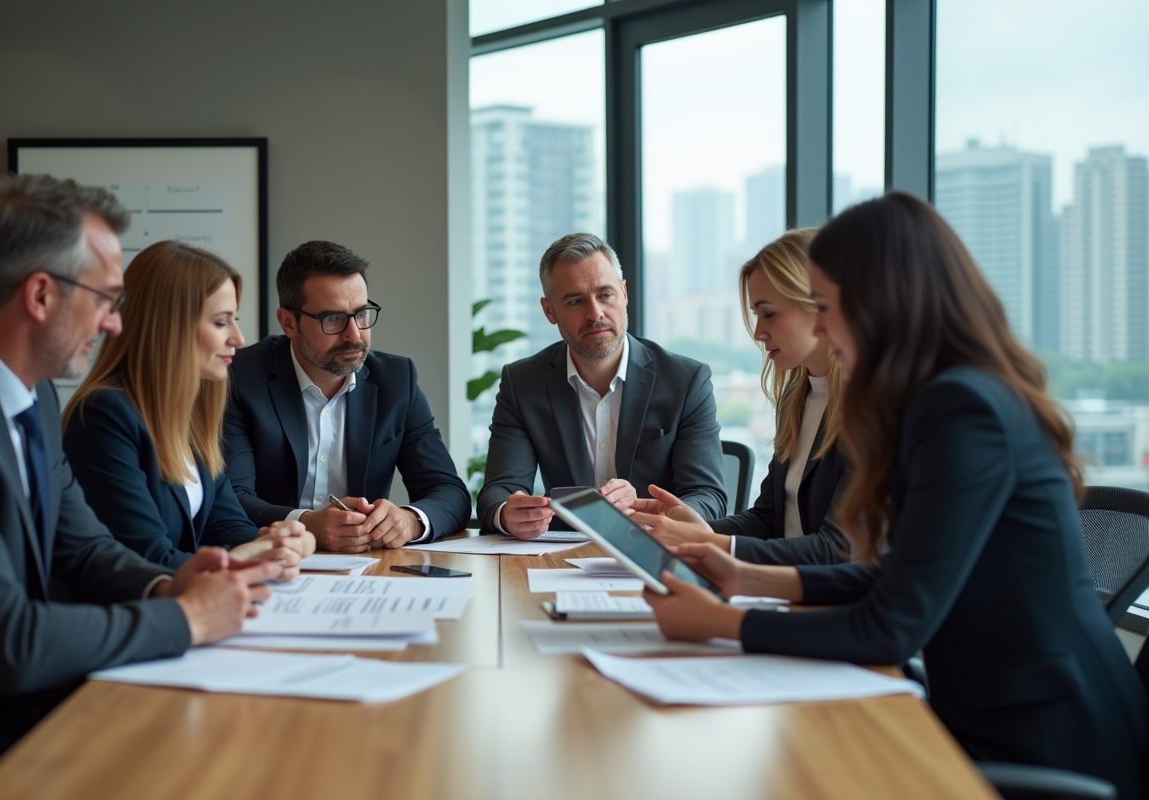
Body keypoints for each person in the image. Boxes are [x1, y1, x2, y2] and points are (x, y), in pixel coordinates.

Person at [644, 192, 1148, 797]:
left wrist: (727, 624)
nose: (823, 329)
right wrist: (746, 578)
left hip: (1045, 733)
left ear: (884, 301)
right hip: (994, 710)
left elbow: (892, 626)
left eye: (827, 307)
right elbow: (899, 575)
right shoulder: (942, 398)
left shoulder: (962, 408)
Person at [0, 174, 279, 770]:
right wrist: (183, 618)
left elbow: (84, 550)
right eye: (105, 299)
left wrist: (169, 584)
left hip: (34, 708)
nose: (114, 324)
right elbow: (11, 639)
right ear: (42, 295)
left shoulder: (33, 397)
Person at [62, 241, 315, 572]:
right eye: (222, 322)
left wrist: (277, 544)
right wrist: (242, 562)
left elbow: (226, 526)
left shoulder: (191, 416)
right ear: (170, 327)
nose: (239, 338)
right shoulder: (104, 416)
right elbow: (146, 558)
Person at [223, 240, 470, 553]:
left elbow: (449, 491)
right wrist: (305, 523)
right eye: (333, 319)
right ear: (288, 322)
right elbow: (230, 498)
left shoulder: (397, 380)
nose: (354, 334)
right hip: (271, 562)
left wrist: (409, 520)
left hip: (367, 570)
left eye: (362, 314)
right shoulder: (240, 378)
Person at [477, 232, 725, 540]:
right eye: (575, 301)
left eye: (605, 294)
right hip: (559, 557)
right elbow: (497, 492)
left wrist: (659, 513)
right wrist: (507, 513)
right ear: (549, 310)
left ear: (624, 293)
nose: (595, 314)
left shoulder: (685, 381)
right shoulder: (523, 383)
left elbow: (709, 497)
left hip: (658, 551)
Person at [628, 229, 851, 565]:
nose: (759, 332)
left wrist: (707, 543)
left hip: (827, 602)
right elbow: (767, 520)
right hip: (781, 592)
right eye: (756, 315)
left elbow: (837, 550)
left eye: (769, 313)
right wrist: (696, 530)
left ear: (817, 305)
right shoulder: (797, 399)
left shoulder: (871, 410)